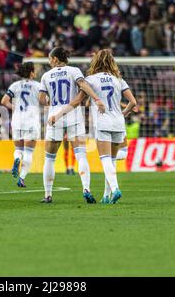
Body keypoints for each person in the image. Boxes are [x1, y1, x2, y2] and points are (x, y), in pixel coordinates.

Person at [49, 49, 137, 204]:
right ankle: (105, 196)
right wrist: (123, 113)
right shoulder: (118, 80)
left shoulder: (90, 80)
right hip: (118, 124)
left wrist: (58, 115)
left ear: (96, 61)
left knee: (105, 160)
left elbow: (76, 102)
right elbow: (133, 103)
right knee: (112, 160)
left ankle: (115, 189)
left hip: (103, 123)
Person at [39, 47, 106, 203]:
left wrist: (51, 103)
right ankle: (86, 189)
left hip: (55, 117)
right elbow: (83, 85)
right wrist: (96, 99)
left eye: (50, 59)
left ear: (55, 59)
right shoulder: (74, 71)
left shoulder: (46, 76)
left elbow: (42, 98)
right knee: (81, 155)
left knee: (49, 158)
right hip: (74, 116)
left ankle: (48, 195)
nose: (49, 62)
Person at [1, 62, 40, 188]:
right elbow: (45, 101)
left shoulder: (15, 85)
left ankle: (17, 158)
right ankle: (22, 178)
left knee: (18, 149)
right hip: (31, 120)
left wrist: (15, 107)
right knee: (28, 152)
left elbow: (4, 101)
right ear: (31, 72)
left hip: (17, 119)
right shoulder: (38, 86)